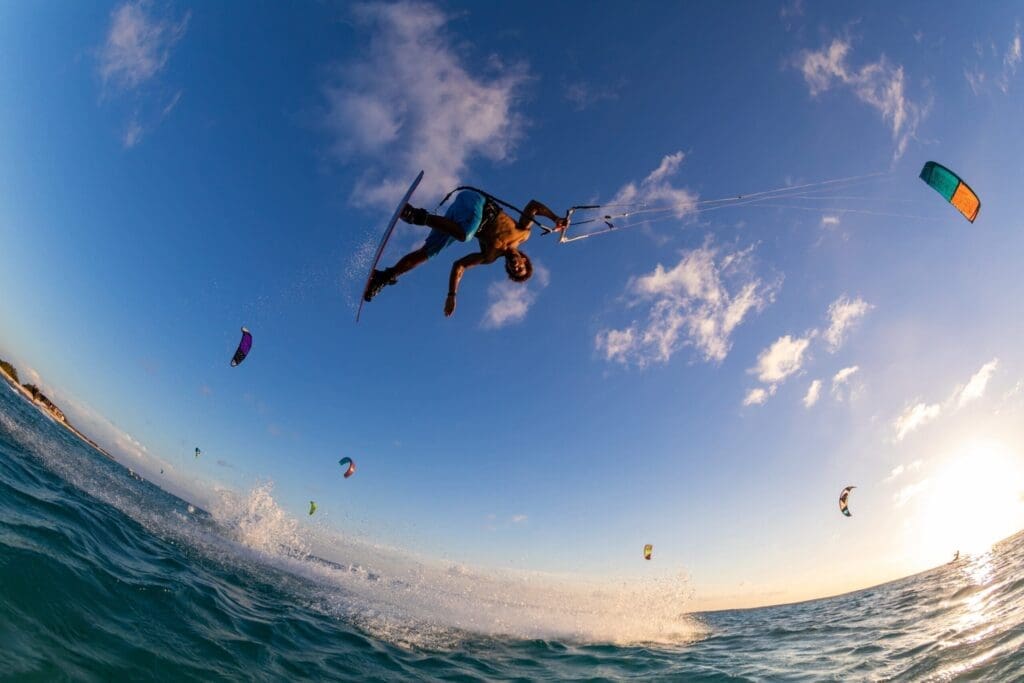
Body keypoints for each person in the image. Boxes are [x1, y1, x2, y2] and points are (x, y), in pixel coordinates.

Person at [363, 189, 567, 316]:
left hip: (460, 219)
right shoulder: (523, 234)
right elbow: (532, 206)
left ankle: (385, 276)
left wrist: (452, 295)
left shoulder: (489, 256)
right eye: (521, 266)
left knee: (430, 252)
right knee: (467, 235)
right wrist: (555, 218)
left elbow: (459, 266)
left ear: (508, 268)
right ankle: (416, 215)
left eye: (515, 270)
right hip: (476, 202)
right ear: (524, 259)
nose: (516, 266)